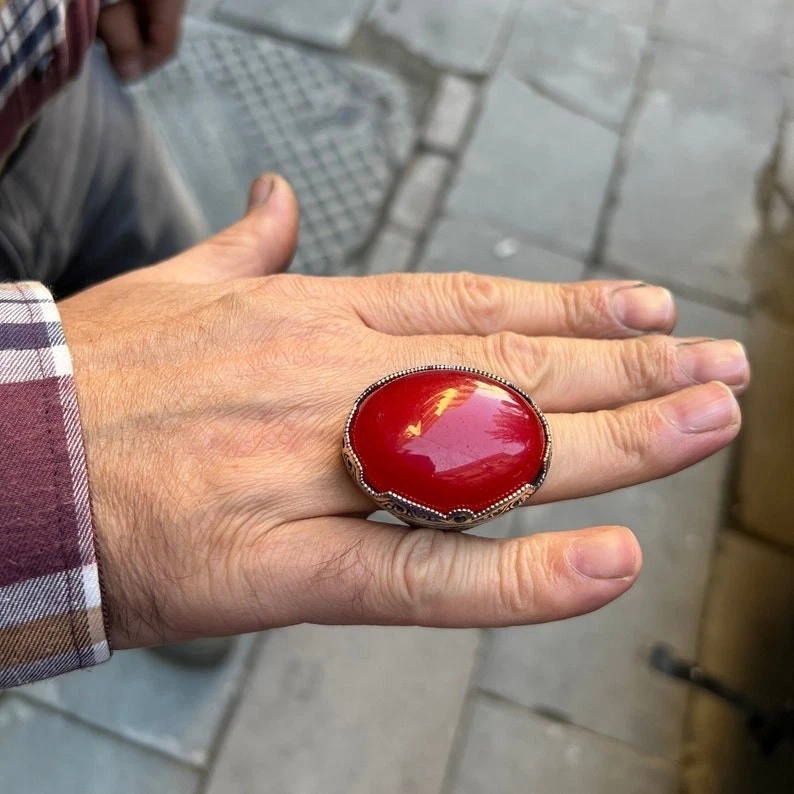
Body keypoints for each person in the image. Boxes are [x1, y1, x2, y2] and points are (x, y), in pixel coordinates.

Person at [0, 0, 750, 689]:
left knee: (179, 298)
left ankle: (196, 584)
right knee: (171, 543)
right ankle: (167, 589)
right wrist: (41, 481)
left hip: (55, 91)